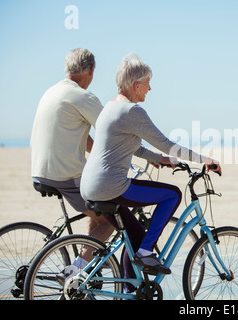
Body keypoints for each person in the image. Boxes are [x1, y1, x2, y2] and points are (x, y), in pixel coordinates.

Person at [80, 53, 221, 276]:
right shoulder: (132, 111)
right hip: (111, 186)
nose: (150, 89)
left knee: (134, 237)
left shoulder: (110, 107)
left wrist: (158, 159)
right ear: (136, 85)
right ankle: (146, 252)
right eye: (147, 83)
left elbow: (128, 146)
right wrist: (205, 159)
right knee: (172, 195)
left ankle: (130, 287)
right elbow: (167, 144)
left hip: (90, 185)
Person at [31, 48, 114, 272]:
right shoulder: (82, 96)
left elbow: (81, 135)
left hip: (40, 170)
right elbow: (113, 128)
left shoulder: (52, 91)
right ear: (91, 71)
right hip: (65, 175)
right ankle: (76, 270)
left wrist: (99, 154)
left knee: (95, 208)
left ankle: (90, 256)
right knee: (109, 219)